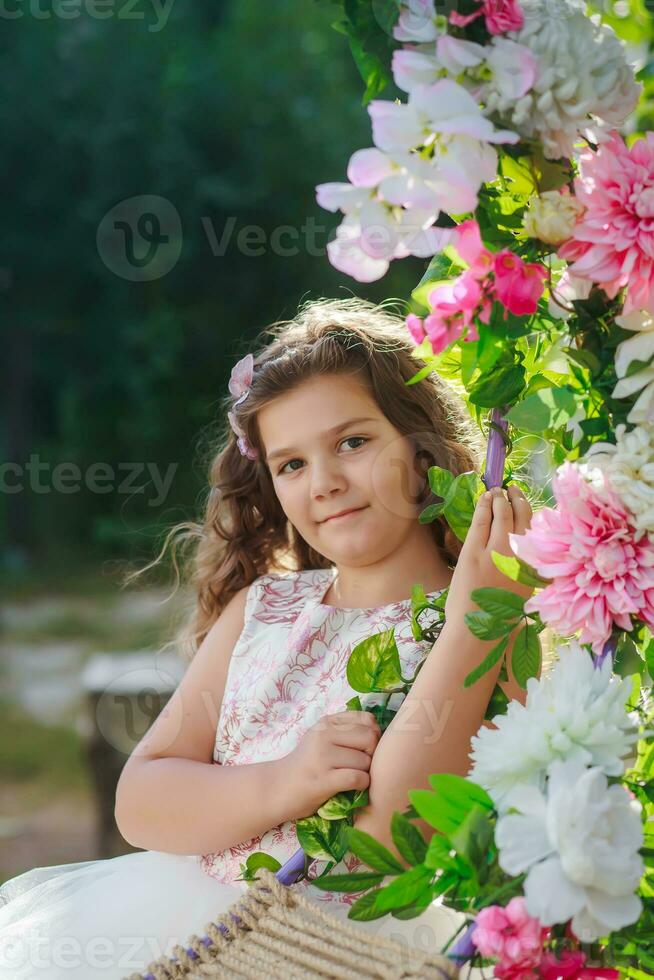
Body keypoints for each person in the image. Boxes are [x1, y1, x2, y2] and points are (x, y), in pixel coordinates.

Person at [0, 297, 534, 979]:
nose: (327, 483)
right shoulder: (265, 611)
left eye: (353, 442)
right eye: (292, 465)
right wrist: (287, 781)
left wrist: (475, 620)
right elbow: (141, 803)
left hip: (350, 954)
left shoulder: (491, 624)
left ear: (422, 444)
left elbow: (400, 835)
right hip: (203, 938)